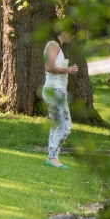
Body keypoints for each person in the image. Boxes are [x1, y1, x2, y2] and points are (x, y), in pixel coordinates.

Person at [42, 27, 78, 169]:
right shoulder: (53, 45)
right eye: (72, 35)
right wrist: (67, 70)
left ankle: (52, 156)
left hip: (58, 90)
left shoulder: (57, 47)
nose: (72, 38)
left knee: (57, 125)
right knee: (65, 126)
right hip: (54, 90)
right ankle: (52, 158)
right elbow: (49, 67)